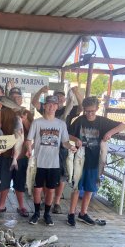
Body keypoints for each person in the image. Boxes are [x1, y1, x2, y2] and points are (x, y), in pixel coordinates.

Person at [67, 96, 125, 227]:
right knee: (76, 186)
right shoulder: (79, 120)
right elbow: (67, 134)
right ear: (84, 110)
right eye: (87, 111)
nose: (89, 114)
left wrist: (110, 132)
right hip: (80, 161)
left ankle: (83, 213)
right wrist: (75, 138)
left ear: (97, 109)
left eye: (92, 111)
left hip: (95, 161)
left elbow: (124, 125)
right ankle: (71, 213)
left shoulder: (102, 121)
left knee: (90, 188)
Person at [26, 95, 76, 226]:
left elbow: (64, 142)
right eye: (48, 104)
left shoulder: (61, 124)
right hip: (37, 163)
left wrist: (71, 146)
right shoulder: (37, 122)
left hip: (54, 163)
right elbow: (28, 139)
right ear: (44, 106)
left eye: (54, 105)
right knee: (36, 190)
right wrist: (28, 149)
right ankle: (36, 213)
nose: (51, 107)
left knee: (51, 190)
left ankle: (47, 214)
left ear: (57, 107)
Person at [32, 86, 84, 214]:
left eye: (62, 97)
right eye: (57, 96)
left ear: (64, 99)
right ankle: (45, 200)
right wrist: (40, 91)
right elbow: (35, 103)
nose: (60, 98)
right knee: (44, 177)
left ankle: (57, 202)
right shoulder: (46, 111)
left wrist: (77, 93)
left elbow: (81, 108)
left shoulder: (69, 110)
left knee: (62, 177)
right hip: (46, 149)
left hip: (63, 148)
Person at [0, 87, 32, 217]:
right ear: (9, 99)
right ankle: (1, 206)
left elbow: (33, 131)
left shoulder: (27, 112)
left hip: (21, 155)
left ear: (21, 98)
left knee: (20, 182)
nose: (16, 98)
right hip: (5, 153)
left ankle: (22, 206)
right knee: (4, 180)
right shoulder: (3, 111)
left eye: (18, 96)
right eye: (13, 97)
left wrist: (25, 121)